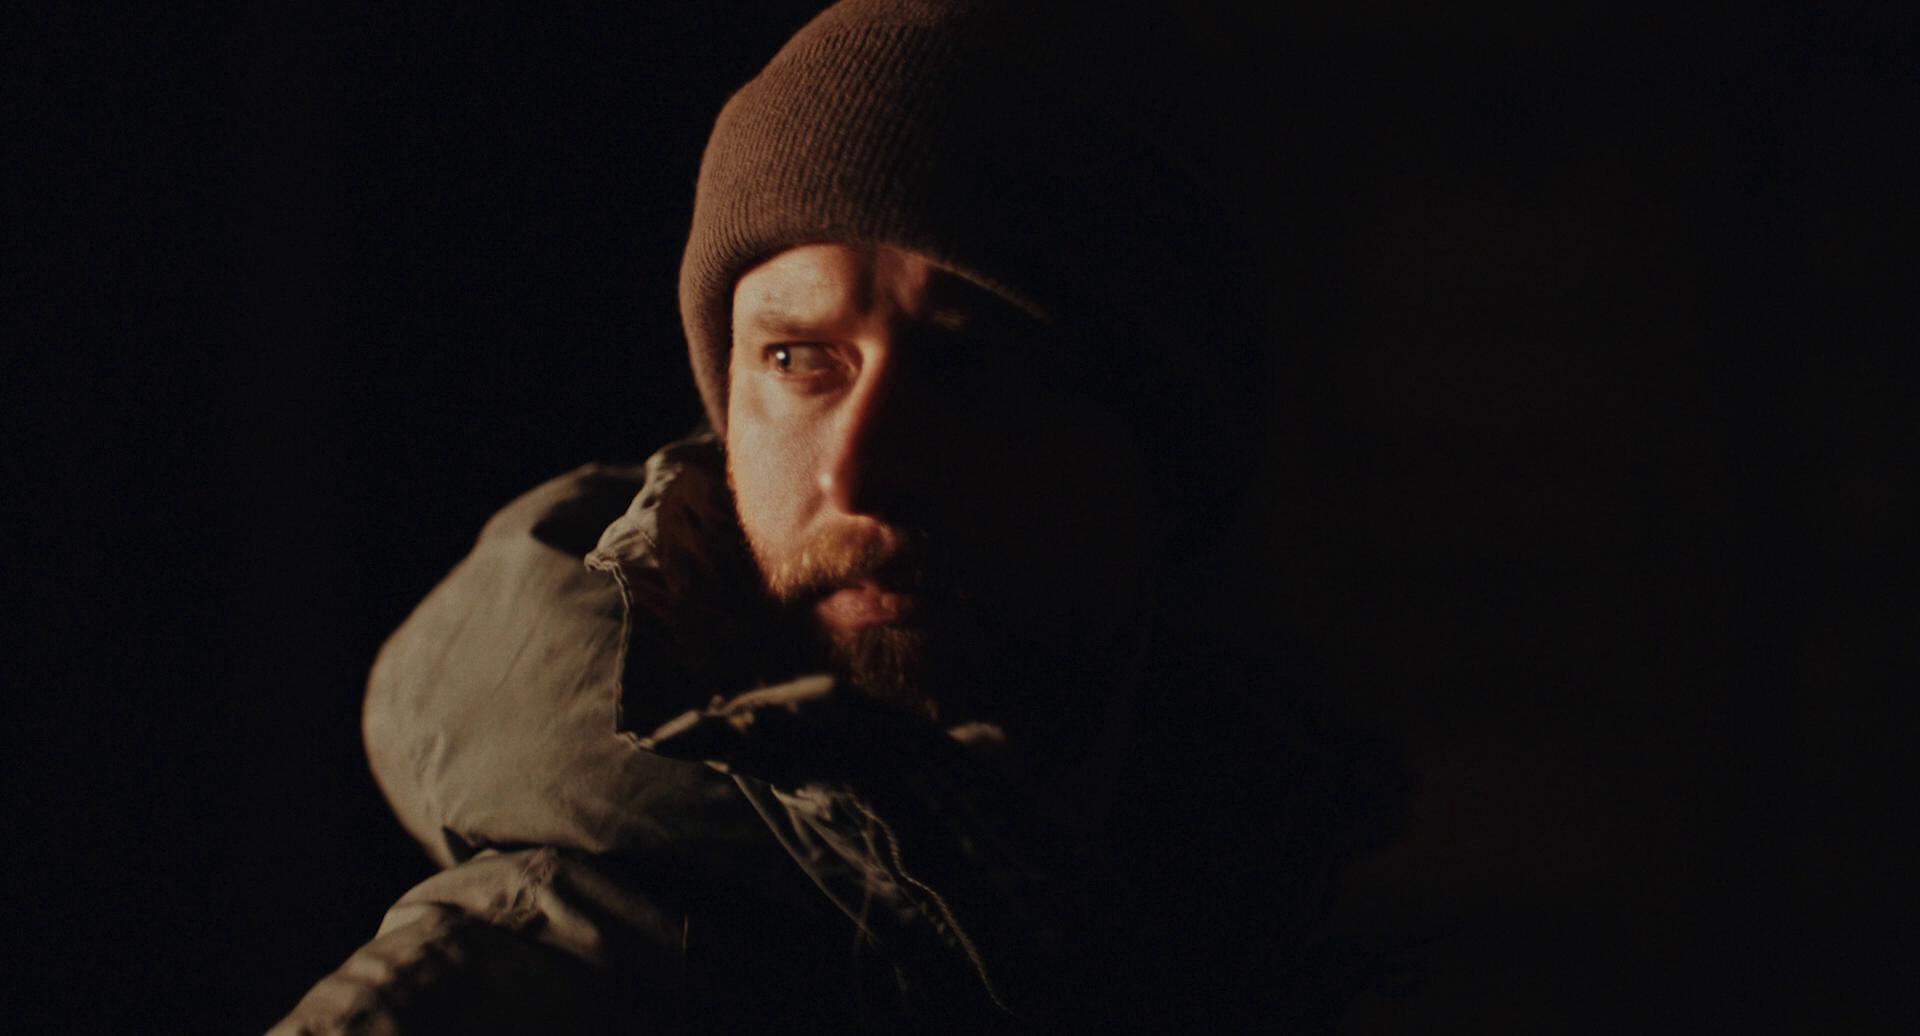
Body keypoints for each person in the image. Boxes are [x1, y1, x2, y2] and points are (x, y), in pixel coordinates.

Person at [273, 1, 1397, 1031]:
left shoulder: (1259, 937)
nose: (858, 472)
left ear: (1164, 449)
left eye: (970, 364)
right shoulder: (498, 997)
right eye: (797, 358)